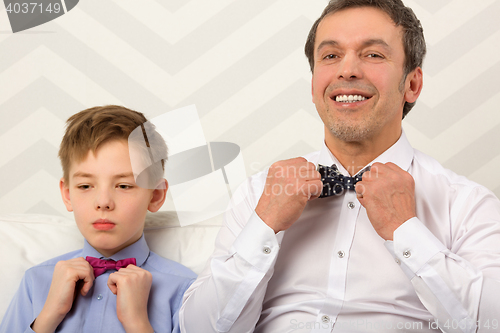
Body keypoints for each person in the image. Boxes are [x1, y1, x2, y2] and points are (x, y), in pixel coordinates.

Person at [179, 0, 500, 332]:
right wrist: (265, 224)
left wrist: (405, 231)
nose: (347, 70)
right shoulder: (257, 194)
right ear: (315, 82)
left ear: (412, 85)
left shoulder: (466, 204)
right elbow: (196, 328)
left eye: (373, 54)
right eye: (330, 56)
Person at [0, 106, 196, 333]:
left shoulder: (186, 290)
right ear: (67, 194)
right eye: (85, 186)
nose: (103, 202)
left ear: (156, 195)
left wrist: (138, 324)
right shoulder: (35, 281)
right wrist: (47, 317)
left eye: (124, 186)